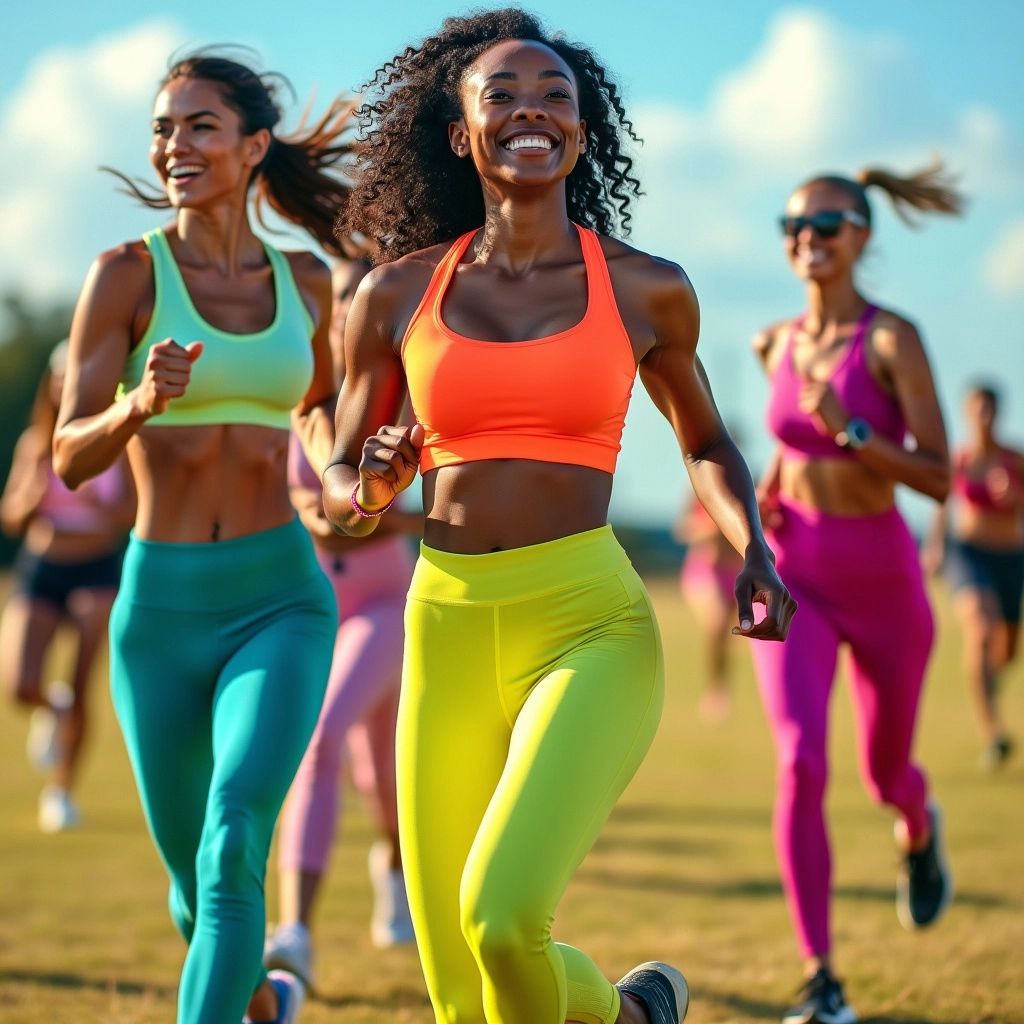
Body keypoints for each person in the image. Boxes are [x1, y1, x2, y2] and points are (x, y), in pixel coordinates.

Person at [322, 10, 796, 1024]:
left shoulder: (646, 289)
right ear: (460, 133)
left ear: (582, 131)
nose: (530, 112)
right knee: (460, 993)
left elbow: (704, 441)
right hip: (444, 627)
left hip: (588, 623)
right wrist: (368, 480)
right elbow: (338, 497)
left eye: (555, 98)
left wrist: (752, 541)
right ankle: (630, 1016)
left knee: (502, 919)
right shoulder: (393, 294)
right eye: (501, 96)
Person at [53, 52, 352, 1024]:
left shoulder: (308, 283)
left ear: (253, 146)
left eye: (198, 126)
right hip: (161, 613)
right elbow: (68, 457)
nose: (173, 146)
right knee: (195, 890)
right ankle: (263, 1002)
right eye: (163, 128)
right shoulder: (125, 276)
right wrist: (140, 402)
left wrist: (359, 469)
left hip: (279, 601)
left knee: (232, 847)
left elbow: (317, 418)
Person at [751, 161, 962, 1023]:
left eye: (826, 224)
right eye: (792, 226)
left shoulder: (890, 341)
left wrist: (857, 433)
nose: (807, 239)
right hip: (796, 572)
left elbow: (942, 478)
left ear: (862, 235)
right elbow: (785, 449)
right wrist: (764, 493)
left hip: (882, 580)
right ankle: (820, 975)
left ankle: (918, 826)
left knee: (884, 775)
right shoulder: (773, 341)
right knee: (800, 759)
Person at [264, 258, 420, 993]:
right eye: (340, 303)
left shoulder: (406, 397)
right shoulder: (297, 395)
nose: (351, 317)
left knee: (325, 739)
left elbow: (449, 505)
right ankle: (367, 883)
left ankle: (308, 921)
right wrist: (307, 512)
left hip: (386, 603)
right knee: (373, 768)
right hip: (309, 604)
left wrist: (358, 511)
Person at [0, 340, 134, 832]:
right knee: (19, 684)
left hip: (97, 568)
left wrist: (102, 509)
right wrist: (30, 499)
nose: (65, 384)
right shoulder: (36, 445)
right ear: (51, 385)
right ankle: (48, 707)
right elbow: (11, 516)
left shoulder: (116, 443)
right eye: (58, 377)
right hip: (42, 566)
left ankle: (60, 792)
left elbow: (136, 513)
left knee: (82, 685)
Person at [925, 383, 1023, 770]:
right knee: (980, 629)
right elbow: (942, 504)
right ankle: (993, 733)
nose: (984, 418)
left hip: (1011, 556)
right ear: (968, 413)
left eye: (990, 410)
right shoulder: (960, 459)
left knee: (1007, 650)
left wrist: (1015, 497)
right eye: (977, 410)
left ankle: (990, 679)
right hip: (969, 554)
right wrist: (935, 546)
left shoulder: (1014, 458)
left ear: (999, 413)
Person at [674, 493, 744, 723]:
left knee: (732, 638)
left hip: (738, 572)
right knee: (718, 624)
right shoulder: (697, 487)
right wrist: (709, 527)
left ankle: (721, 687)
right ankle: (716, 692)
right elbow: (682, 530)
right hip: (706, 570)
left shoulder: (748, 482)